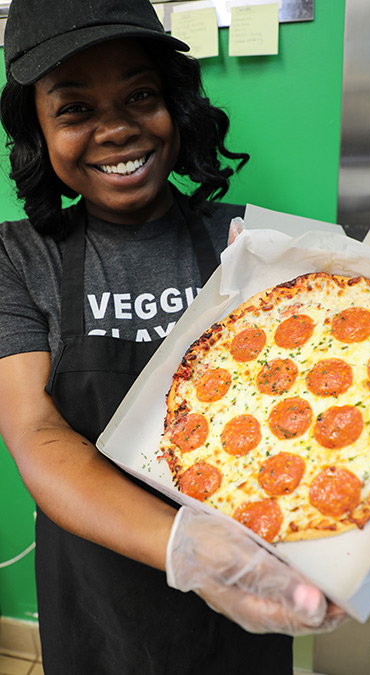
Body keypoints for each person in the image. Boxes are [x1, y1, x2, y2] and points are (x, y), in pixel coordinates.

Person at [0, 0, 343, 673]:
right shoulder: (18, 257)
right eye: (75, 109)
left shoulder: (256, 242)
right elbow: (34, 431)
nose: (118, 128)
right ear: (38, 133)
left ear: (175, 106)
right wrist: (186, 545)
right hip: (97, 597)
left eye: (141, 95)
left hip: (247, 585)